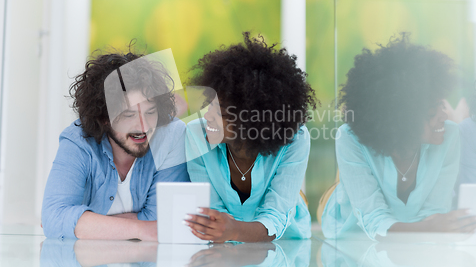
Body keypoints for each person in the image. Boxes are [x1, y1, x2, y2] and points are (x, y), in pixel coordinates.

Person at [319, 35, 472, 240]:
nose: (444, 116)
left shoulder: (450, 136)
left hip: (413, 241)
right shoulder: (349, 138)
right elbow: (372, 219)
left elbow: (435, 212)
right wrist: (428, 229)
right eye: (431, 112)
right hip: (354, 235)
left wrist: (432, 229)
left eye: (441, 105)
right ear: (400, 118)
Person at [184, 32, 318, 242]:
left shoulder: (295, 139)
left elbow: (276, 215)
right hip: (221, 251)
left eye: (221, 111)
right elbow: (212, 214)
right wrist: (226, 231)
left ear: (254, 119)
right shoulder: (195, 135)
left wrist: (233, 230)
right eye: (209, 103)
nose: (207, 115)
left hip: (283, 250)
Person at [41, 50, 189, 240]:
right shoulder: (77, 140)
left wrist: (80, 223)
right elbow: (54, 218)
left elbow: (161, 220)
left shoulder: (172, 134)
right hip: (87, 264)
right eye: (129, 115)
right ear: (104, 118)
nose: (143, 127)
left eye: (150, 112)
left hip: (147, 262)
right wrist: (140, 229)